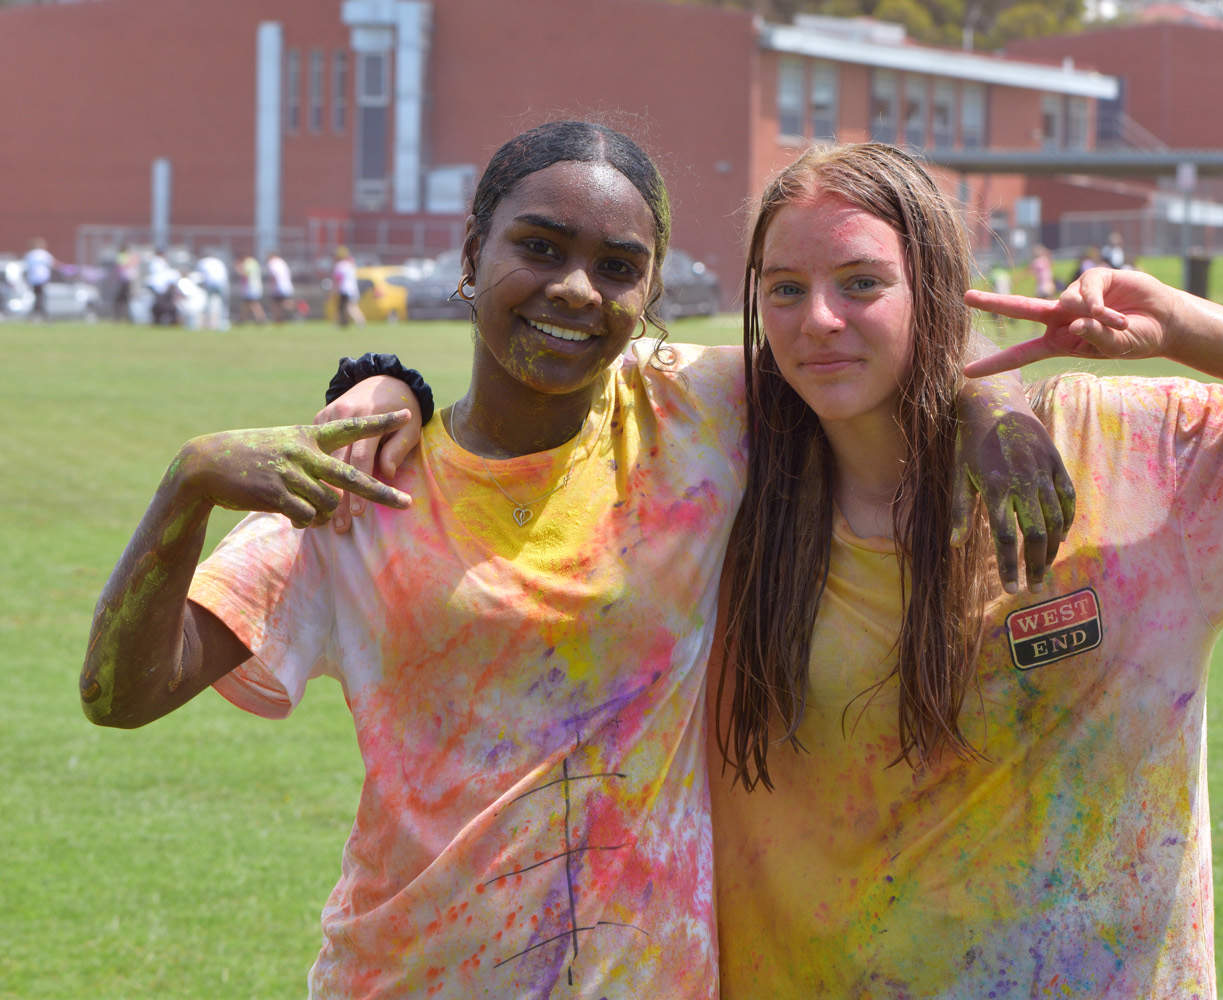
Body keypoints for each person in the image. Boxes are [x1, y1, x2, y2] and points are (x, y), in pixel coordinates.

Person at [326, 142, 1223, 999]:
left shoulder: (1129, 453)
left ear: (937, 288)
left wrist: (1177, 320)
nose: (818, 321)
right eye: (783, 289)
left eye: (862, 283)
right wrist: (381, 381)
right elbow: (548, 357)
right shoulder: (725, 466)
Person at [81, 124, 1069, 999]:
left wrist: (992, 403)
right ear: (472, 255)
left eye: (617, 265)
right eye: (540, 247)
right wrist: (189, 484)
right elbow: (120, 695)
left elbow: (861, 343)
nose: (573, 288)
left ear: (651, 293)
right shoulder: (362, 480)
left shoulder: (698, 417)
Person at [194, 253, 231, 331]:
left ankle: (207, 322)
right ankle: (223, 322)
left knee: (207, 303)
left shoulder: (202, 262)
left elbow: (198, 276)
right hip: (222, 283)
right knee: (223, 304)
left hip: (210, 283)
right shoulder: (219, 261)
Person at [22, 237, 55, 322]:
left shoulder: (29, 255)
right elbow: (52, 263)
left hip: (33, 279)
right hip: (42, 278)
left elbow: (26, 268)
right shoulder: (43, 254)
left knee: (38, 297)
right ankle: (42, 315)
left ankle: (35, 315)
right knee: (41, 297)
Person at [332, 246, 365, 327]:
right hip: (353, 289)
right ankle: (343, 322)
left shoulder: (340, 265)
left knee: (346, 307)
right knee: (351, 307)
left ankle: (358, 322)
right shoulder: (350, 265)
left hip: (344, 289)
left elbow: (338, 279)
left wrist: (334, 289)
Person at [265, 249, 295, 322]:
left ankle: (297, 305)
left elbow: (274, 275)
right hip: (286, 285)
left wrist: (271, 285)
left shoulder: (272, 263)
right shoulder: (282, 262)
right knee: (280, 303)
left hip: (278, 287)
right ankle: (278, 319)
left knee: (279, 304)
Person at [237, 253, 267, 324]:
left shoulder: (248, 263)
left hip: (250, 287)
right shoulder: (254, 262)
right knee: (247, 304)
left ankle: (261, 318)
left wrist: (238, 268)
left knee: (252, 303)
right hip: (253, 286)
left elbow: (245, 274)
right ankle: (242, 319)